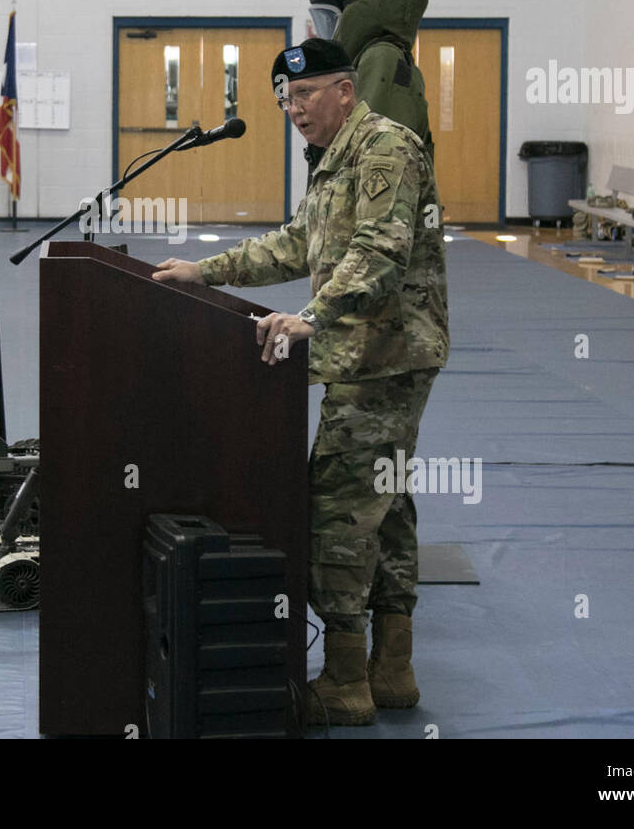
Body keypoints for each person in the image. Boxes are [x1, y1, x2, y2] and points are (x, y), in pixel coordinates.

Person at [153, 38, 449, 726]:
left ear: (345, 91)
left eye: (306, 94)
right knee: (387, 505)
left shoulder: (384, 149)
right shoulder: (332, 161)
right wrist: (207, 272)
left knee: (338, 514)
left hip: (385, 356)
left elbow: (379, 252)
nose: (294, 109)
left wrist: (311, 316)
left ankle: (346, 683)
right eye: (285, 99)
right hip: (365, 354)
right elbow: (294, 244)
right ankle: (392, 670)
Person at [303, 0, 434, 178]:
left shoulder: (381, 58)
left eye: (335, 19)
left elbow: (376, 158)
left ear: (362, 10)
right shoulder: (370, 60)